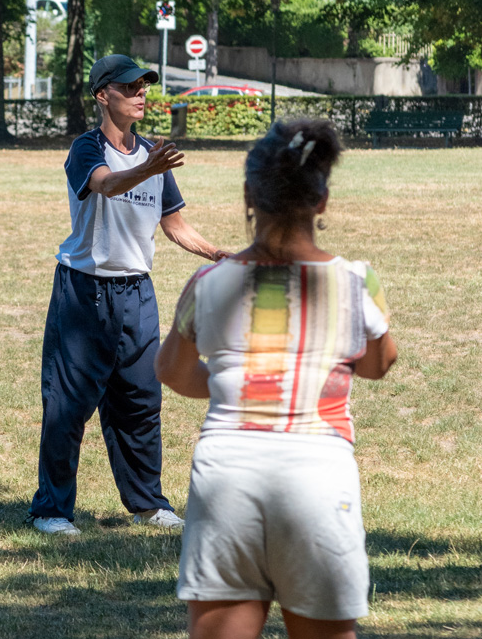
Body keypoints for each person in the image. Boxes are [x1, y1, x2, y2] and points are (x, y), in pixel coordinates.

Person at [155, 119, 398, 639]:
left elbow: (171, 372)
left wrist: (234, 383)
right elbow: (378, 365)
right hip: (318, 479)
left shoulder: (209, 282)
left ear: (249, 195)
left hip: (226, 478)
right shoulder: (356, 282)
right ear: (322, 200)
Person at [27, 54, 229, 536]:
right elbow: (108, 184)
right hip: (84, 292)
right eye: (130, 86)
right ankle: (51, 511)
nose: (141, 93)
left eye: (144, 85)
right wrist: (148, 167)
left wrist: (218, 253)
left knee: (141, 401)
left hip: (138, 293)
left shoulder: (153, 156)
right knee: (68, 405)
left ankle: (147, 504)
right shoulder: (86, 148)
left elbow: (175, 226)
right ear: (103, 95)